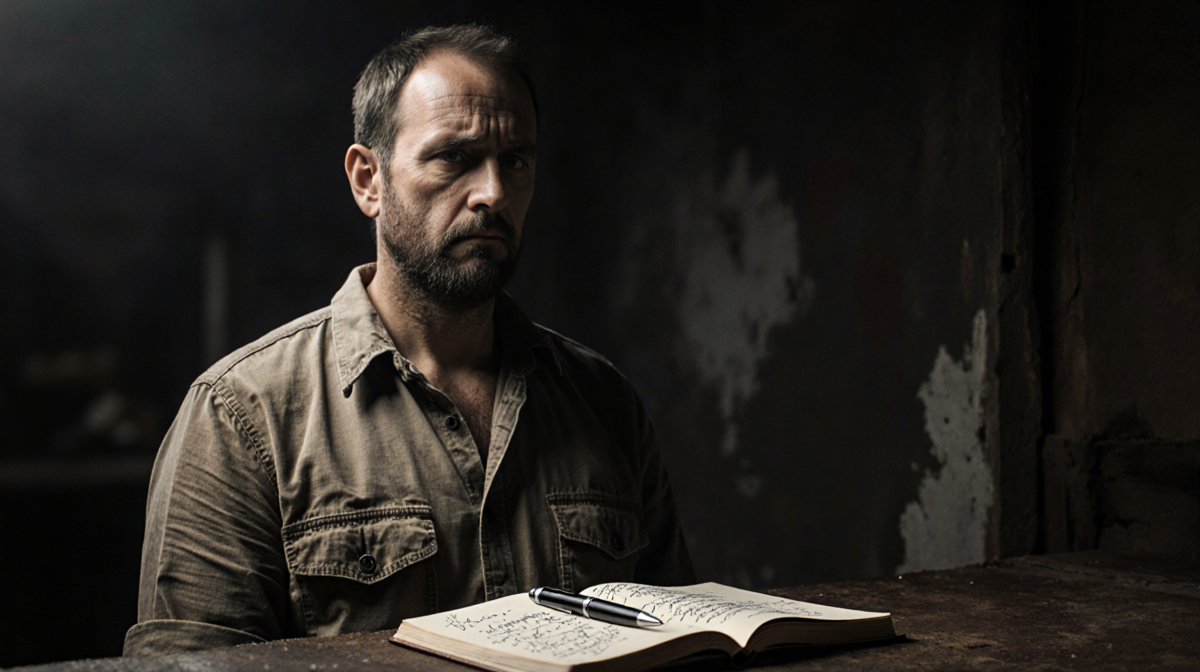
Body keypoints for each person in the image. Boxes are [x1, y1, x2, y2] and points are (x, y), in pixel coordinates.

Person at [123, 24, 693, 657]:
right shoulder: (240, 416)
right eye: (454, 157)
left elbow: (680, 643)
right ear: (369, 179)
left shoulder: (604, 403)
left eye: (517, 161)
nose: (493, 193)